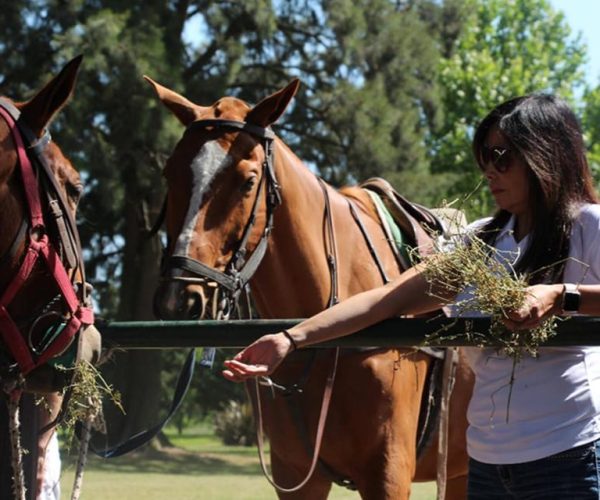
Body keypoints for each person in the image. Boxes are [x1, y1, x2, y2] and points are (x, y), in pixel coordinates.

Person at [223, 93, 600, 499]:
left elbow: (571, 296)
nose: (490, 171)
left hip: (567, 456)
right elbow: (386, 300)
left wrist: (562, 297)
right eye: (484, 158)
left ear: (545, 154)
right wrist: (291, 338)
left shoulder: (587, 226)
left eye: (502, 157)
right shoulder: (480, 242)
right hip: (489, 464)